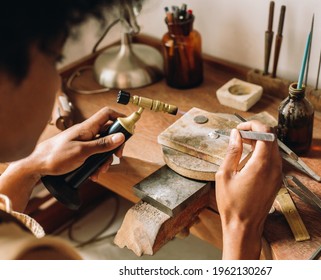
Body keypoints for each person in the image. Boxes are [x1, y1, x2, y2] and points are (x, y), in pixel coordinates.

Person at [0, 0, 282, 260]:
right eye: (53, 58)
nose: (56, 80)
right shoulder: (35, 258)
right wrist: (241, 227)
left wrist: (28, 168)